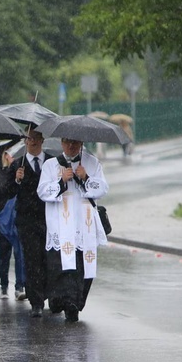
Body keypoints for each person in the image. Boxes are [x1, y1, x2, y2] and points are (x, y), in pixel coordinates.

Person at [36, 138, 109, 322]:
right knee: (61, 268)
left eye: (75, 142)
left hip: (83, 225)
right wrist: (61, 181)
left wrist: (85, 177)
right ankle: (64, 302)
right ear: (61, 143)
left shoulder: (92, 163)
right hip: (60, 225)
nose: (71, 146)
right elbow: (42, 191)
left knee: (82, 268)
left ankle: (75, 303)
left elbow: (102, 188)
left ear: (82, 143)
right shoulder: (50, 165)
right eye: (67, 142)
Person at [3, 127, 53, 317]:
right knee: (32, 260)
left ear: (42, 140)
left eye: (37, 138)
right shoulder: (18, 164)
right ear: (25, 141)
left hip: (49, 218)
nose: (33, 142)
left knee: (48, 259)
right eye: (30, 138)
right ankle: (36, 302)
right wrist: (16, 180)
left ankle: (49, 294)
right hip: (27, 220)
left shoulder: (51, 162)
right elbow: (7, 191)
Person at [0, 146, 26, 301]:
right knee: (4, 254)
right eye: (11, 154)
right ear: (6, 156)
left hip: (19, 221)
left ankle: (20, 286)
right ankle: (4, 286)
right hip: (2, 222)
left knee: (20, 254)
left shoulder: (23, 173)